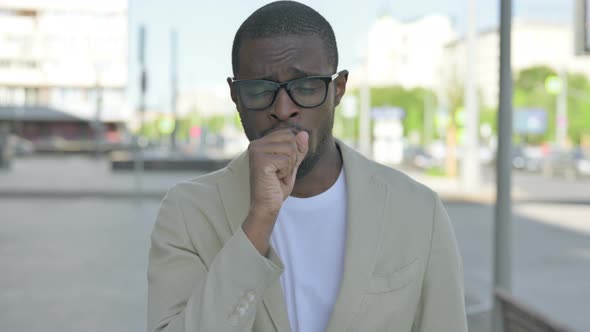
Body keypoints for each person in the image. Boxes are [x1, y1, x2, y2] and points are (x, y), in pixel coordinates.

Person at [147, 1, 468, 331]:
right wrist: (259, 220)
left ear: (338, 89)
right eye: (259, 90)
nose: (283, 109)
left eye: (304, 87)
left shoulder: (417, 210)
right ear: (235, 95)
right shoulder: (187, 211)